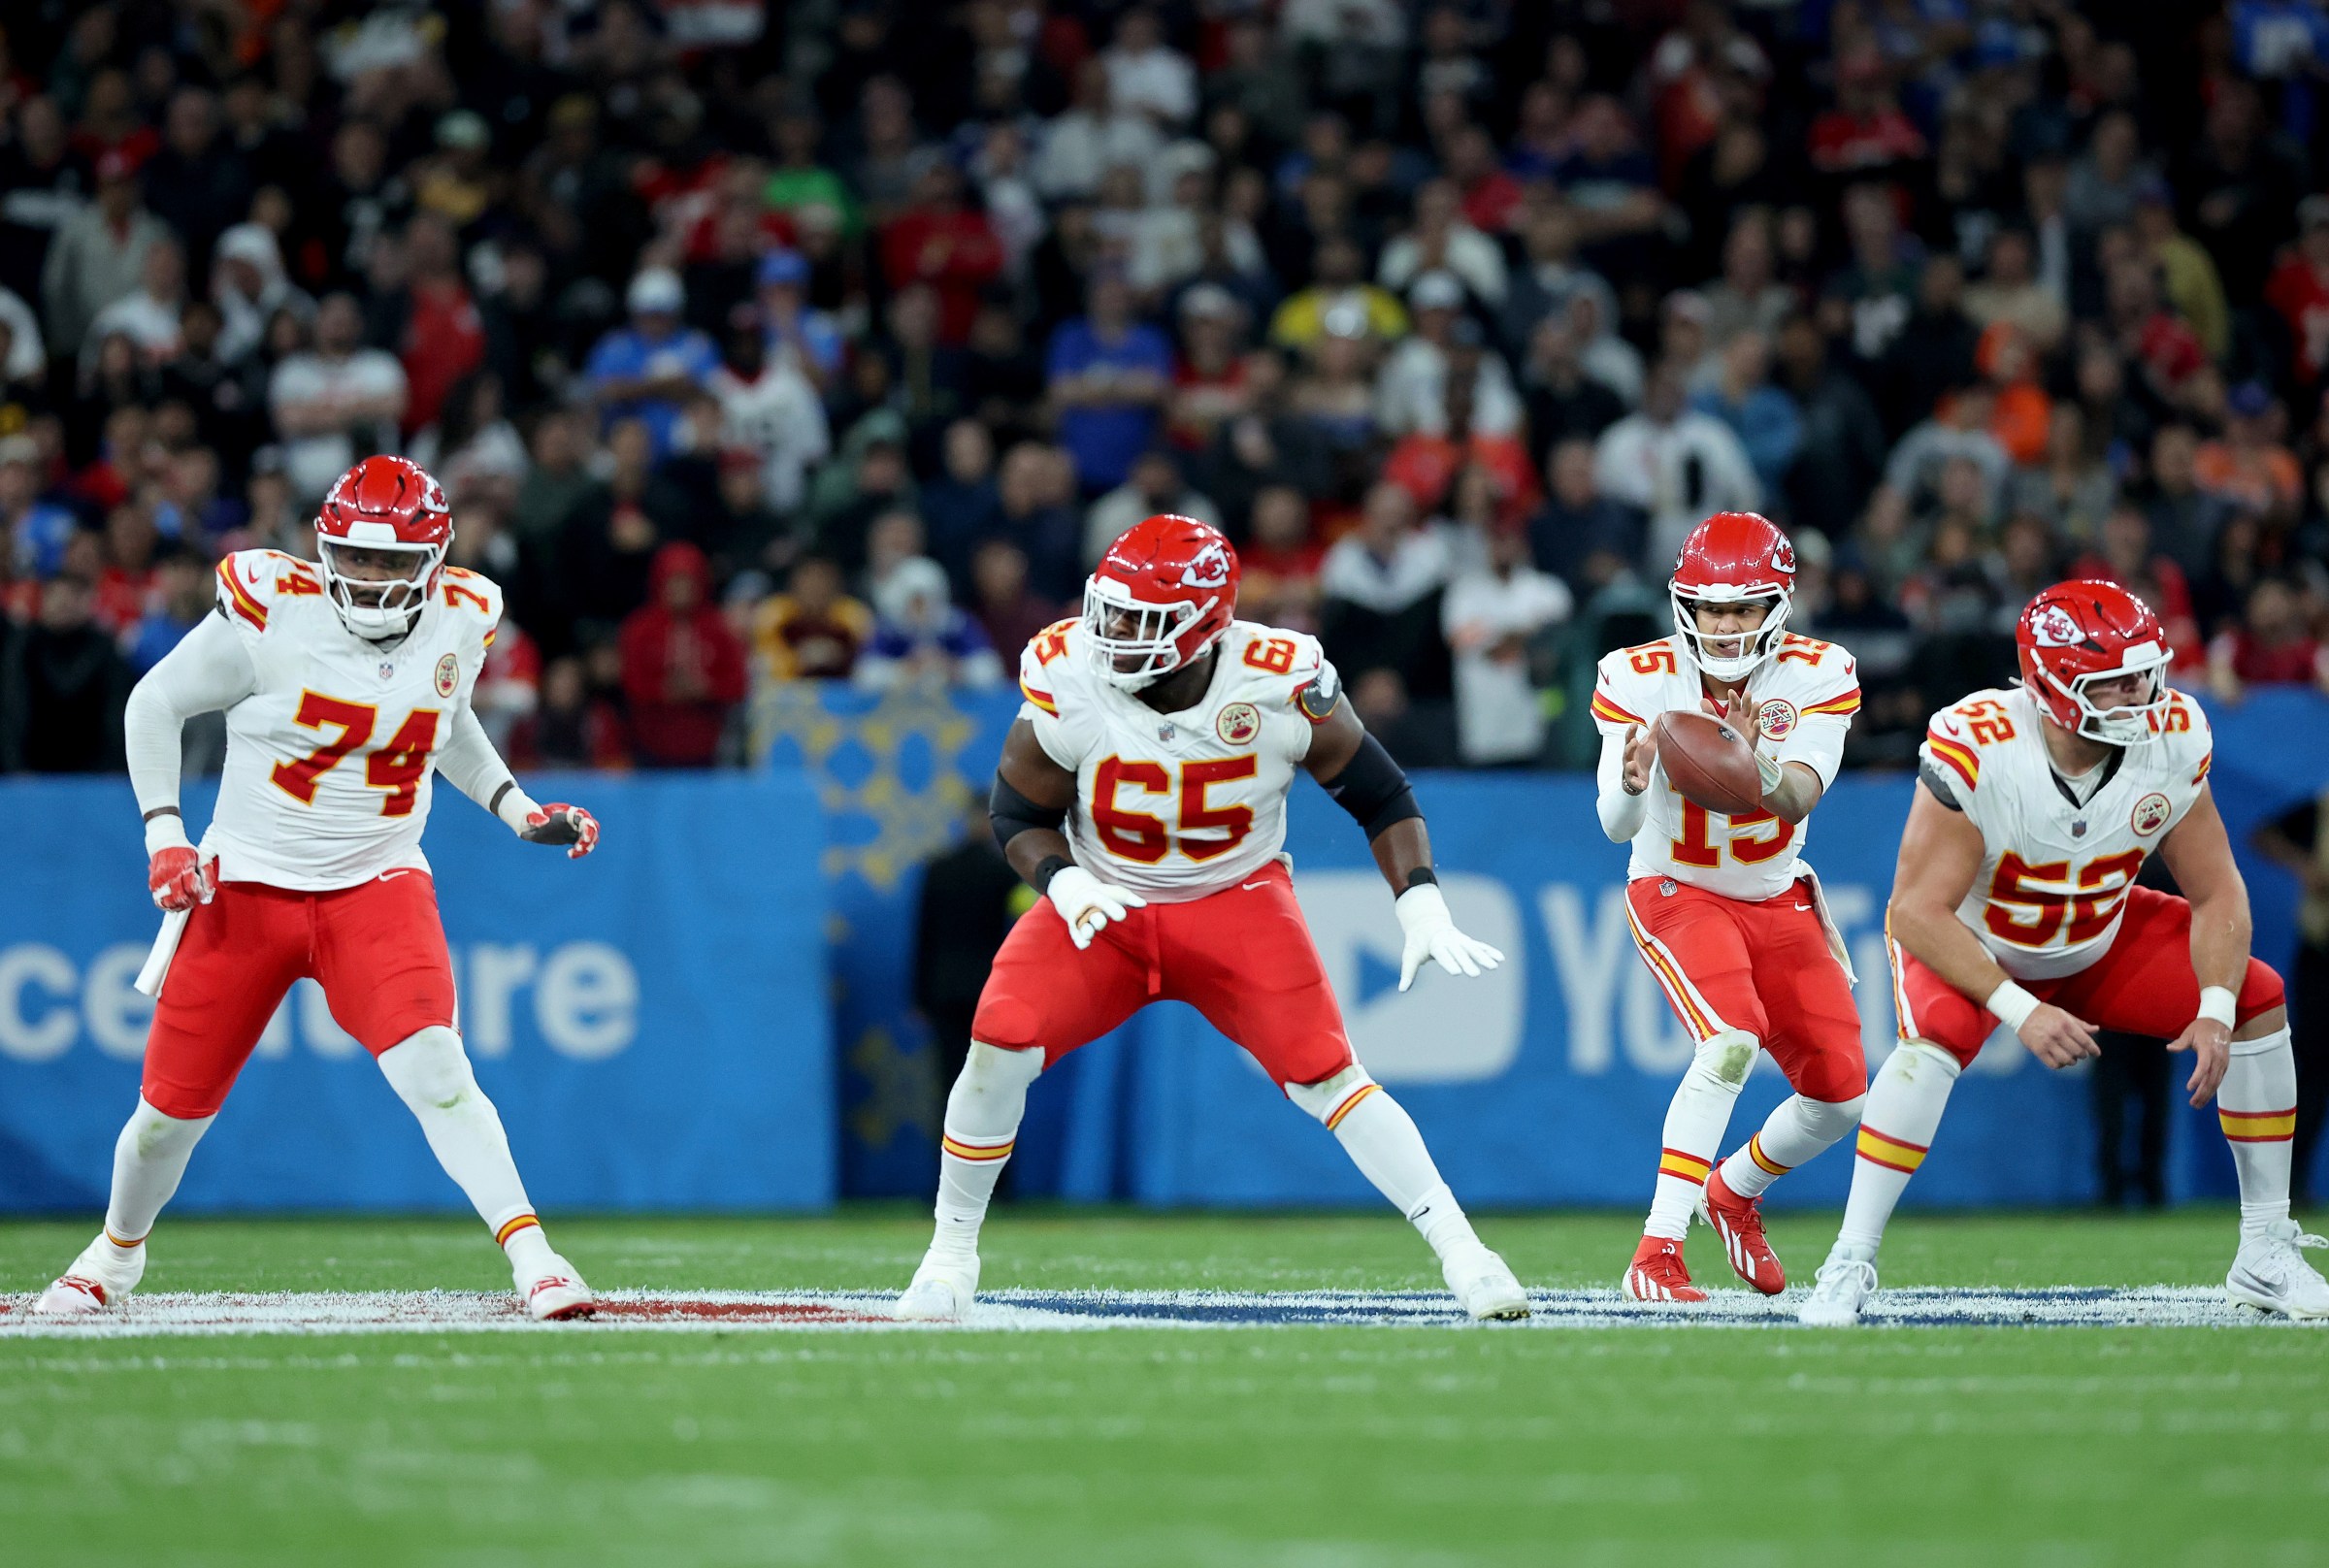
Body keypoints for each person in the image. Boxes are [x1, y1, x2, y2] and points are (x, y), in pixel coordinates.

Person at [895, 513, 1526, 1323]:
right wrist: (1061, 882)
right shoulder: (1071, 671)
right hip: (1106, 902)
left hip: (1235, 902)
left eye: (1138, 619)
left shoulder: (1276, 678)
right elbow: (1017, 812)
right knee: (996, 1046)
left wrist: (1422, 898)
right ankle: (948, 1258)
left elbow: (1378, 791)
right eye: (1109, 610)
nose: (1112, 633)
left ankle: (1468, 1256)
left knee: (1329, 1075)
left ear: (1201, 625)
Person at [29, 456, 602, 1322]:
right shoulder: (270, 613)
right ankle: (114, 1254)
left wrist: (517, 810)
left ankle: (535, 1257)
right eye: (356, 557)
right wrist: (163, 835)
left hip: (375, 882)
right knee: (165, 1118)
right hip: (246, 888)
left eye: (391, 561)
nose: (371, 578)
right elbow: (153, 703)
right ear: (325, 547)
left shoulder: (462, 616)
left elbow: (444, 721)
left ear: (435, 559)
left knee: (438, 1069)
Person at [1800, 581, 2328, 1324]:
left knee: (2255, 998)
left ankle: (2266, 1250)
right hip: (1981, 943)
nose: (2137, 695)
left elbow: (2219, 895)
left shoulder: (2173, 737)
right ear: (2049, 684)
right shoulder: (1980, 745)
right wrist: (2020, 1012)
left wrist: (2213, 1008)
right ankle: (1849, 1261)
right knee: (1930, 1049)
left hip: (2096, 936)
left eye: (2142, 674)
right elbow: (1915, 913)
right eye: (2110, 682)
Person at [1592, 511, 1866, 1301]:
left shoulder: (1818, 672)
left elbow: (1799, 795)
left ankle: (1734, 1190)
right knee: (1729, 1043)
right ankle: (1656, 1253)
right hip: (1677, 886)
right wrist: (1635, 783)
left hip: (1775, 892)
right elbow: (1614, 826)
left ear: (1777, 606)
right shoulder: (1637, 675)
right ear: (1685, 605)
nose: (1725, 623)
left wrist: (1751, 764)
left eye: (1743, 607)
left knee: (1841, 1095)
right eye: (1711, 607)